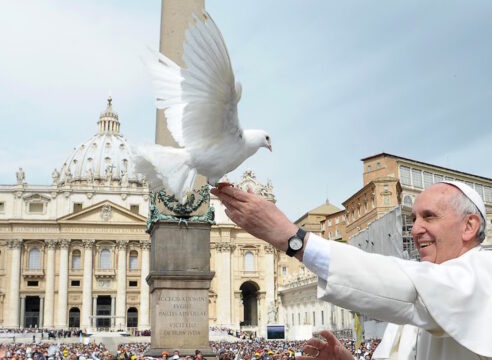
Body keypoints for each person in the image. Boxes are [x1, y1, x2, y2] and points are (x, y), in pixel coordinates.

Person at [211, 181, 492, 359]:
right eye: (414, 218)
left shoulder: (483, 274)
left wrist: (291, 238)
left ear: (469, 226)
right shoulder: (414, 304)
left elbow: (407, 286)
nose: (416, 229)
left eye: (429, 216)